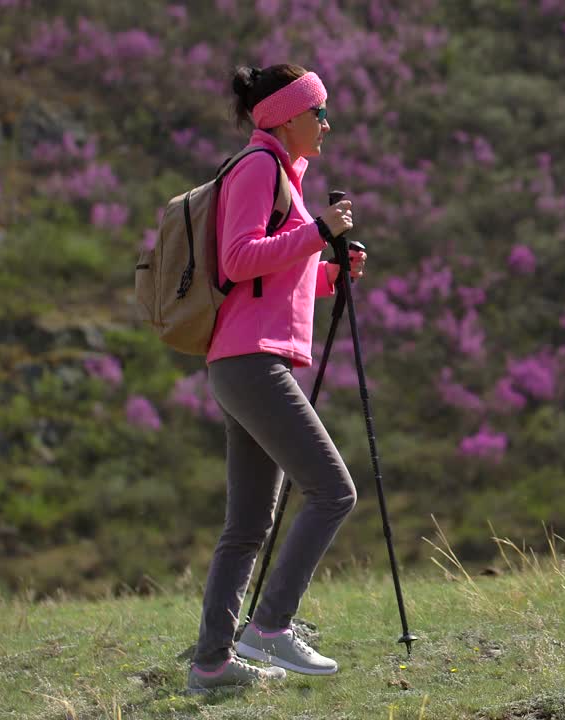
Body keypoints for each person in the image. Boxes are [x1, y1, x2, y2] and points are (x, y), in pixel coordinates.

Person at [186, 63, 366, 694]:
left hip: (246, 360)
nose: (326, 123)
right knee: (333, 490)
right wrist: (319, 232)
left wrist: (329, 272)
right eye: (317, 112)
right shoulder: (260, 168)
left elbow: (274, 281)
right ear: (286, 116)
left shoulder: (282, 173)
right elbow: (238, 260)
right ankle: (269, 627)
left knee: (247, 525)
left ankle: (211, 665)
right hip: (251, 362)